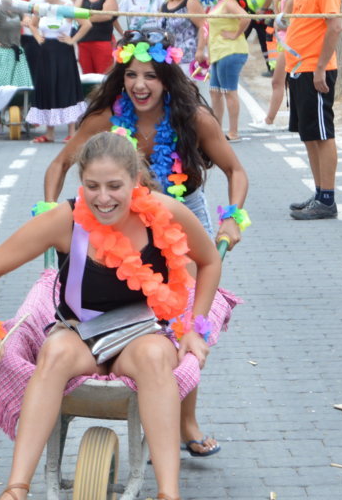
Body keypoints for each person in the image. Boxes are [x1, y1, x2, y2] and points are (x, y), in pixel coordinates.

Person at [0, 132, 223, 500]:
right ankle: (16, 489)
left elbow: (210, 260)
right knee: (53, 352)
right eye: (92, 186)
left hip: (141, 335)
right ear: (81, 183)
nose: (103, 198)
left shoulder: (165, 213)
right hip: (80, 334)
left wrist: (195, 329)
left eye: (114, 186)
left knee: (156, 357)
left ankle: (168, 493)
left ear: (136, 180)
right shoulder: (66, 220)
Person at [43, 29, 249, 459]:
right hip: (120, 220)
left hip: (182, 215)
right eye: (132, 75)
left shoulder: (193, 118)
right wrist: (48, 211)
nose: (140, 85)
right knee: (120, 304)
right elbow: (60, 163)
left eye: (151, 76)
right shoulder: (106, 119)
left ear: (166, 79)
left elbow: (236, 170)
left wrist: (232, 218)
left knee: (185, 317)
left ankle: (185, 420)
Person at [285, 0, 342, 220]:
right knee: (309, 135)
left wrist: (320, 68)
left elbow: (334, 26)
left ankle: (328, 199)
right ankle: (319, 192)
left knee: (322, 133)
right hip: (297, 68)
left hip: (315, 69)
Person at [26, 0, 84, 143]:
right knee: (47, 87)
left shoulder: (67, 7)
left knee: (66, 87)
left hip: (63, 51)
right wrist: (38, 37)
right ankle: (49, 132)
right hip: (45, 52)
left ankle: (72, 131)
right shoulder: (41, 7)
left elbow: (86, 24)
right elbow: (32, 24)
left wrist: (72, 40)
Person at [200, 0, 250, 141]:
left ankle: (233, 132)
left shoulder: (229, 2)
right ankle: (217, 129)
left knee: (229, 91)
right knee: (214, 92)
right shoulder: (217, 5)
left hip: (230, 51)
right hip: (217, 54)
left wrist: (235, 34)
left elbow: (245, 17)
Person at [252, 0, 297, 129]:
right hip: (282, 42)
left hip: (288, 44)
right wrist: (277, 4)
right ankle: (292, 119)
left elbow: (283, 23)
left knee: (277, 81)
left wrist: (277, 12)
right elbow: (280, 21)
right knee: (286, 83)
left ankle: (269, 120)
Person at [159, 0, 205, 78]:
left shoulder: (190, 2)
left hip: (188, 55)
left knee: (188, 86)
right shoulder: (164, 5)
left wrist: (200, 50)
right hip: (169, 55)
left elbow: (203, 26)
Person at [72, 0, 118, 74]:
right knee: (87, 74)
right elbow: (74, 14)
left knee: (103, 74)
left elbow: (106, 16)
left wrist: (83, 17)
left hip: (102, 42)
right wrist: (93, 15)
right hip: (83, 42)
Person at [234, 0, 274, 75]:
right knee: (239, 41)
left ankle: (270, 68)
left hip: (261, 18)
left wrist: (263, 10)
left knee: (265, 43)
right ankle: (233, 67)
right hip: (247, 17)